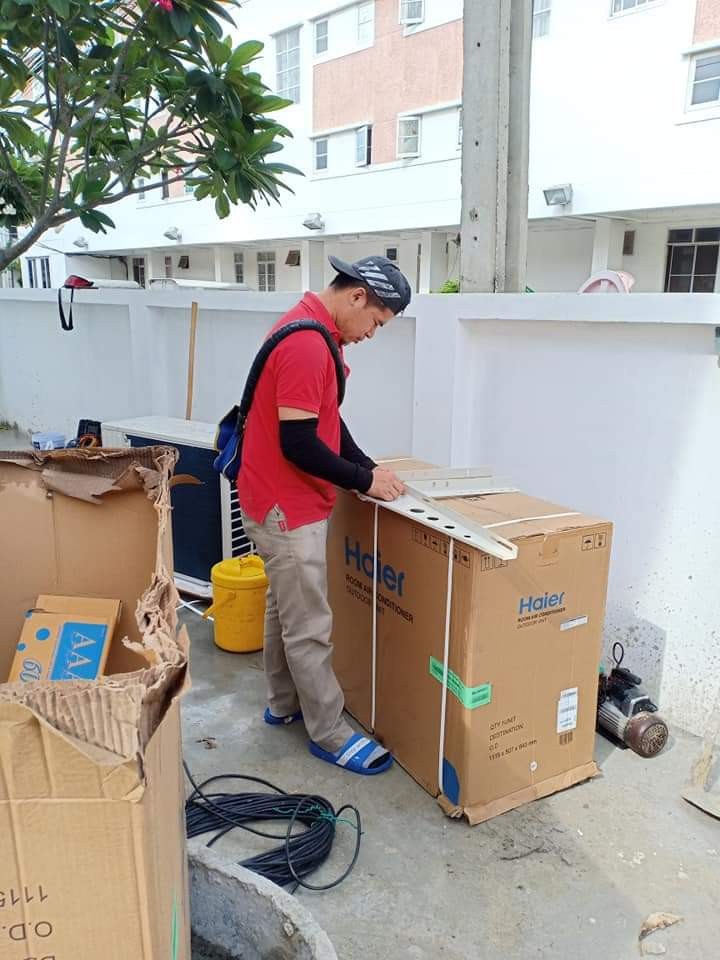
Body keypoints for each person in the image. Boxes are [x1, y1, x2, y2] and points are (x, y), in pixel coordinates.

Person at [239, 255, 412, 776]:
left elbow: (327, 419)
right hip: (286, 508)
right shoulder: (307, 346)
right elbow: (298, 443)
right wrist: (362, 480)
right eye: (376, 322)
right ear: (357, 296)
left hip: (274, 499)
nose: (371, 334)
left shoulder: (313, 329)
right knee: (310, 626)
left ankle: (283, 704)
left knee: (284, 609)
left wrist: (367, 466)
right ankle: (330, 732)